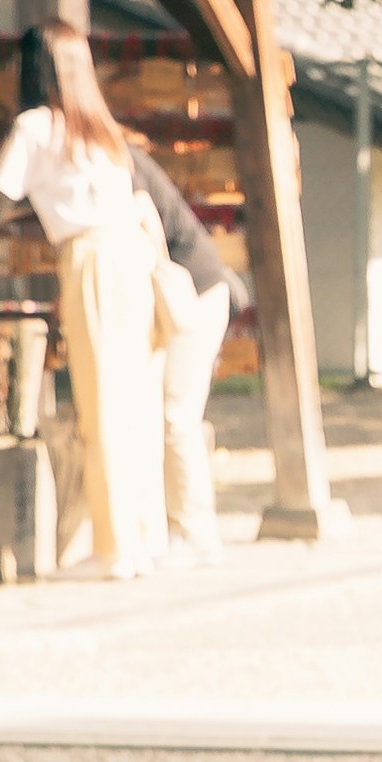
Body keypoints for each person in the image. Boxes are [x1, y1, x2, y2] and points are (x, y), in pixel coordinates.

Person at [0, 23, 167, 578]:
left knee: (101, 399)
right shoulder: (101, 130)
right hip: (131, 257)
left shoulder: (36, 127)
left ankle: (114, 549)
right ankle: (139, 535)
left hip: (92, 260)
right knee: (132, 399)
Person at [134, 143, 240, 566]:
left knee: (176, 415)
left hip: (192, 295)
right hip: (187, 294)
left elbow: (144, 218)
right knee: (170, 414)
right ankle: (176, 528)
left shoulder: (117, 158)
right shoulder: (114, 154)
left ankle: (196, 533)